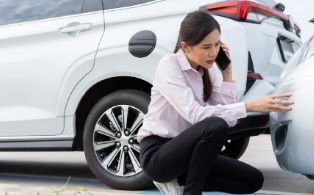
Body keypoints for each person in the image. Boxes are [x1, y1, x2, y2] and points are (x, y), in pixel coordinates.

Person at [137, 10, 293, 195]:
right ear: (186, 47)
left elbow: (229, 120)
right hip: (159, 156)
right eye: (206, 47)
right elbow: (197, 115)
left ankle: (181, 182)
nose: (213, 53)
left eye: (217, 44)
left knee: (252, 180)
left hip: (190, 155)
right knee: (215, 126)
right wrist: (250, 106)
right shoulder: (169, 65)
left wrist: (227, 73)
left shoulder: (208, 71)